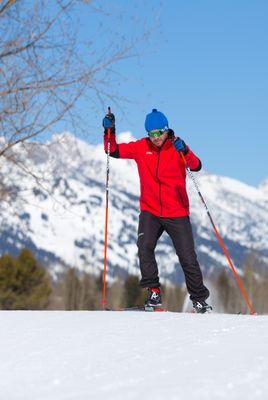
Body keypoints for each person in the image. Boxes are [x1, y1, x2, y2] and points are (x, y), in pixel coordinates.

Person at [103, 108, 212, 313]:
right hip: (150, 210)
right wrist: (109, 130)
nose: (156, 138)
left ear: (166, 130)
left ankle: (199, 299)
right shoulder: (140, 147)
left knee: (187, 257)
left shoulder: (177, 146)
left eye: (159, 133)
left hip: (177, 211)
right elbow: (112, 150)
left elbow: (196, 166)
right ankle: (153, 291)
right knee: (144, 246)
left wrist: (186, 151)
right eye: (151, 134)